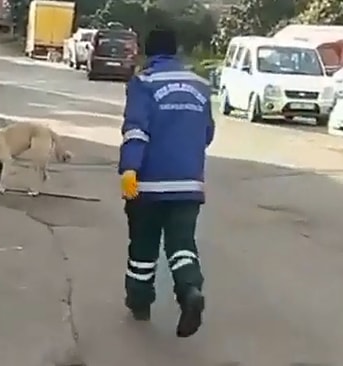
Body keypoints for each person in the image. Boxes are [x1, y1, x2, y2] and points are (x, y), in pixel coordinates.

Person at [119, 28, 215, 338]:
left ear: (149, 53)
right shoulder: (200, 86)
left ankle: (140, 301)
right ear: (176, 51)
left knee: (143, 246)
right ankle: (189, 291)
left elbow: (136, 129)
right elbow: (208, 133)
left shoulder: (144, 83)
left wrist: (129, 169)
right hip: (189, 184)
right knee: (182, 245)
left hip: (148, 184)